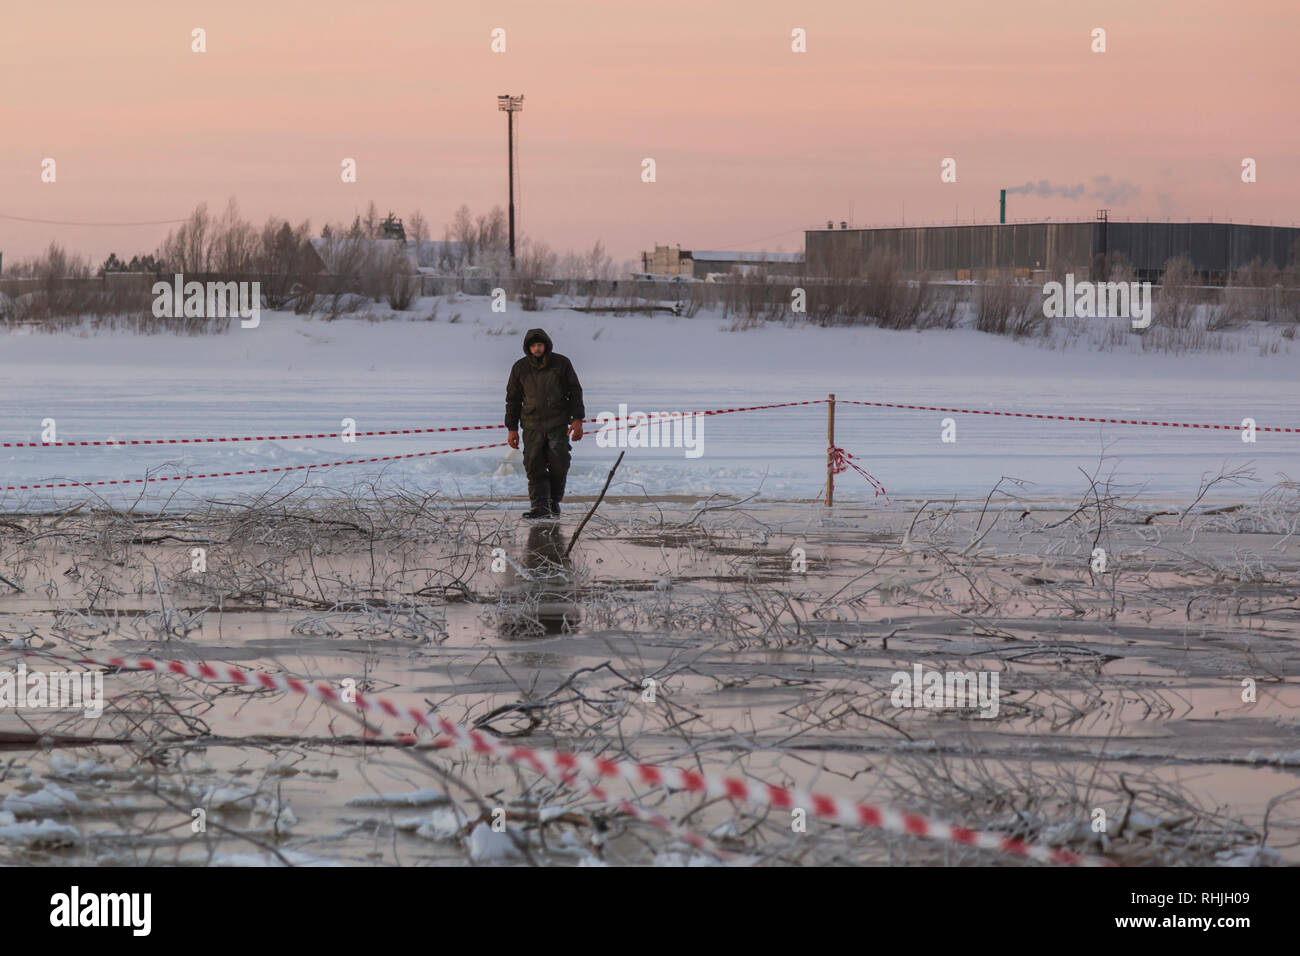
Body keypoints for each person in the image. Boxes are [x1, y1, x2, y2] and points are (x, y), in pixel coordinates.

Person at [504, 328, 585, 519]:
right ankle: (539, 507)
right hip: (531, 424)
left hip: (558, 422)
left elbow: (575, 392)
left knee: (560, 461)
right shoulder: (520, 368)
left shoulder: (561, 364)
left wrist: (577, 420)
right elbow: (513, 400)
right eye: (533, 346)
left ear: (546, 345)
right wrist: (512, 428)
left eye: (539, 345)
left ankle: (553, 501)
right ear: (528, 348)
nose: (537, 348)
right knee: (533, 464)